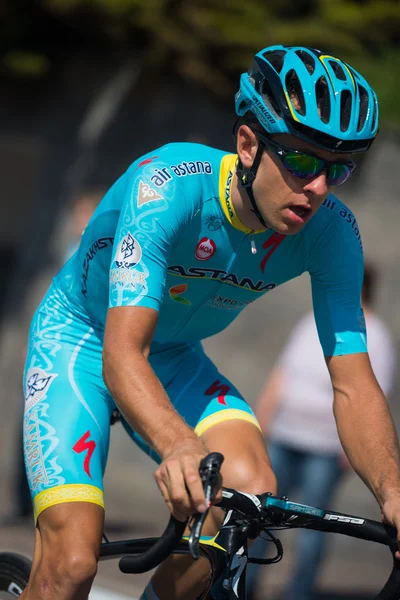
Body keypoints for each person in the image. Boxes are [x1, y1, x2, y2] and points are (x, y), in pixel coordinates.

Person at [20, 44, 400, 600]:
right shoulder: (168, 187)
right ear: (248, 144)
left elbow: (353, 382)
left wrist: (392, 490)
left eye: (337, 169)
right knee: (73, 563)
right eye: (299, 160)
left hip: (175, 358)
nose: (317, 186)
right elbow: (124, 352)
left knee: (248, 494)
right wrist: (178, 443)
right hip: (82, 340)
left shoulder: (334, 232)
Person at [247, 261, 397, 600]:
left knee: (314, 525)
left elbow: (375, 395)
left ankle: (298, 594)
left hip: (326, 447)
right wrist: (260, 422)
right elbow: (282, 373)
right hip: (284, 436)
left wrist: (356, 450)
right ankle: (245, 585)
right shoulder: (310, 323)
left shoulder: (376, 335)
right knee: (257, 517)